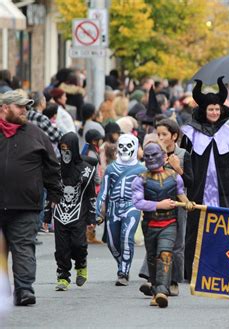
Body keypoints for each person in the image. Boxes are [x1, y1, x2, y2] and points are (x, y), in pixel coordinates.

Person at [180, 77, 229, 280]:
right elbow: (183, 161)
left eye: (217, 109)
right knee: (195, 230)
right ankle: (191, 270)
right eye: (211, 109)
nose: (214, 113)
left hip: (224, 191)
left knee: (225, 230)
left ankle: (225, 270)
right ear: (203, 110)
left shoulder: (228, 133)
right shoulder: (189, 132)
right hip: (196, 190)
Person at [0, 90, 62, 306]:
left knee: (24, 247)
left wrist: (55, 193)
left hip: (26, 205)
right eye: (20, 107)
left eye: (26, 107)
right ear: (5, 108)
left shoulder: (35, 133)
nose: (25, 111)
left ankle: (24, 289)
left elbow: (52, 165)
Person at [132, 142, 194, 308]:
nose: (151, 158)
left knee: (165, 254)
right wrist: (159, 205)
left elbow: (181, 193)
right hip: (151, 223)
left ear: (163, 155)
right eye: (148, 156)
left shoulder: (174, 177)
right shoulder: (141, 179)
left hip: (170, 223)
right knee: (153, 258)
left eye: (154, 155)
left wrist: (188, 203)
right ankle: (155, 289)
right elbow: (138, 202)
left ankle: (162, 291)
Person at [43, 133, 96, 291]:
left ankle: (81, 264)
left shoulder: (85, 169)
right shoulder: (56, 168)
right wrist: (47, 215)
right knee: (62, 248)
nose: (65, 152)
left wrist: (92, 218)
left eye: (68, 149)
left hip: (79, 212)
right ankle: (63, 276)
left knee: (78, 245)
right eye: (62, 149)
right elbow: (50, 193)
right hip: (60, 213)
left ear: (74, 149)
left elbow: (91, 195)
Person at [97, 134, 146, 285]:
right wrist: (98, 211)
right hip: (113, 207)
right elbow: (103, 191)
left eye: (128, 146)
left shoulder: (141, 169)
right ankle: (122, 265)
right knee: (112, 243)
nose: (124, 150)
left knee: (126, 238)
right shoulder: (111, 169)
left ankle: (123, 272)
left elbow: (148, 190)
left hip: (132, 206)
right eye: (122, 146)